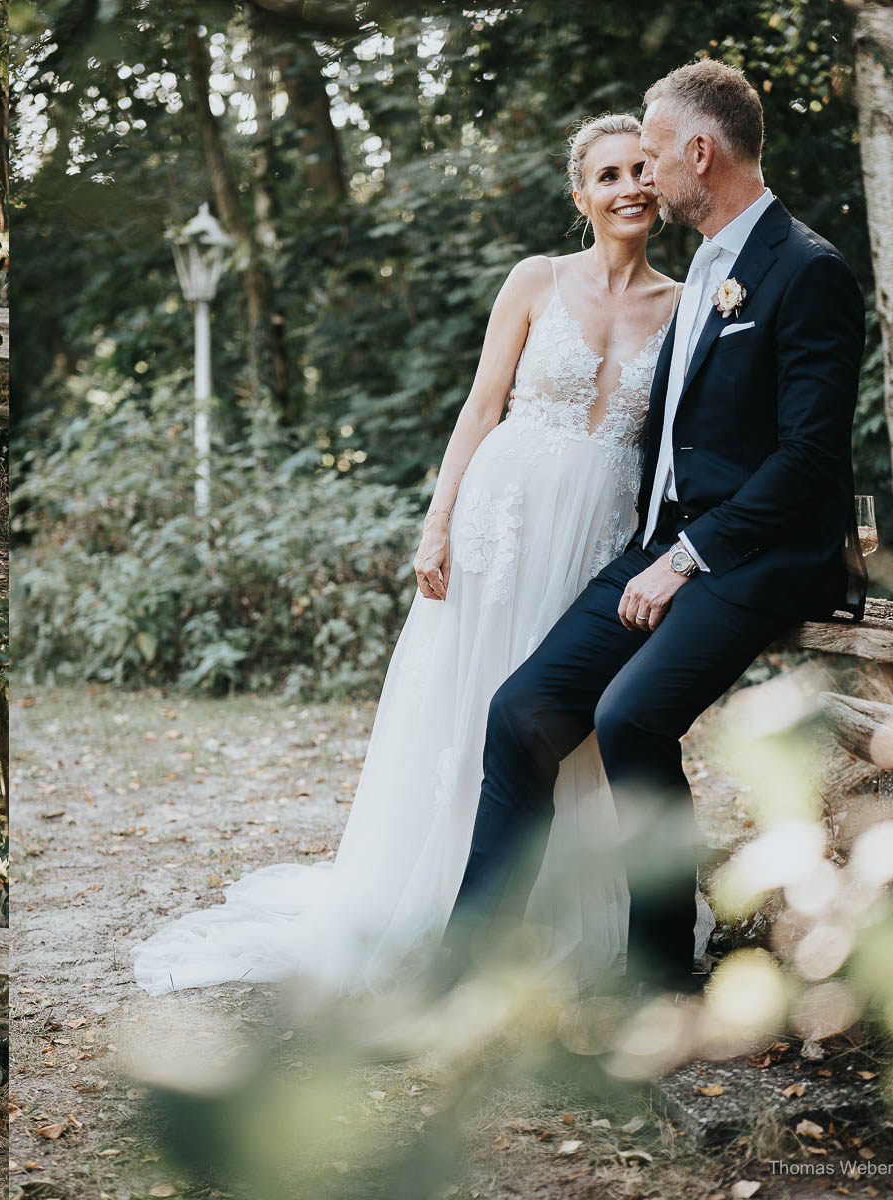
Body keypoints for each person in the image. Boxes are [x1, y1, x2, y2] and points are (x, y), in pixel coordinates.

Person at [131, 113, 682, 998]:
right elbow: (478, 409)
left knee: (561, 716)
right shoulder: (535, 281)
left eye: (641, 171)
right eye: (609, 175)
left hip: (600, 535)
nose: (630, 189)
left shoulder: (684, 303)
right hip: (502, 523)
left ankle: (565, 911)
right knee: (476, 703)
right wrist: (438, 522)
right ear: (582, 196)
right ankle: (441, 905)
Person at [443, 59, 866, 998]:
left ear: (700, 152)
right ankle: (464, 966)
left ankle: (657, 975)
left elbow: (807, 461)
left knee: (629, 717)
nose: (645, 170)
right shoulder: (702, 266)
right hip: (667, 544)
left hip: (759, 552)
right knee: (520, 714)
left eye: (656, 150)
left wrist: (687, 556)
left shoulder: (808, 271)